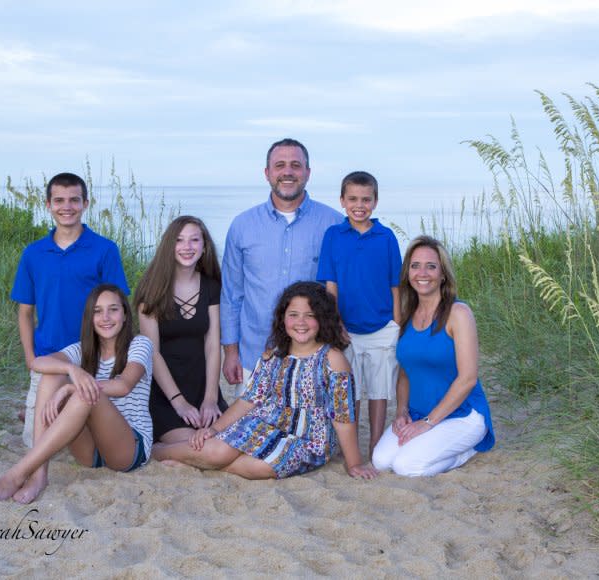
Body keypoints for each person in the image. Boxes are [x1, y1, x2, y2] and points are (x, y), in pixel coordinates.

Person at [153, 281, 378, 480]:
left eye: (310, 315)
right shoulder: (273, 355)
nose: (301, 322)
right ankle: (158, 451)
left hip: (308, 439)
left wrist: (354, 462)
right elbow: (248, 400)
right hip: (265, 423)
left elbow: (343, 417)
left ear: (323, 319)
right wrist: (214, 429)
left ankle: (195, 461)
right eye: (293, 314)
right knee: (218, 451)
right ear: (283, 318)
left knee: (262, 468)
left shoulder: (333, 359)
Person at [0, 285, 153, 503]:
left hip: (127, 448)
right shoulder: (84, 349)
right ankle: (39, 475)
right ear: (90, 317)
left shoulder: (140, 344)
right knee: (52, 375)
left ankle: (16, 474)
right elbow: (38, 363)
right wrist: (70, 370)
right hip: (90, 452)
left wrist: (71, 387)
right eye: (97, 311)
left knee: (84, 394)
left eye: (113, 309)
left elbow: (124, 385)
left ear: (125, 314)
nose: (105, 317)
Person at [11, 172, 130, 448]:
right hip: (49, 358)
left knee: (92, 440)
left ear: (86, 203)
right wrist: (31, 358)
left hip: (94, 356)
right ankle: (36, 413)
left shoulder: (105, 250)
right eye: (59, 200)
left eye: (74, 200)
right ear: (48, 204)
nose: (67, 207)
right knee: (35, 444)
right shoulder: (33, 254)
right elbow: (25, 312)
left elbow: (118, 309)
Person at [221, 138, 341, 392]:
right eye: (280, 165)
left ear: (308, 172)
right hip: (253, 354)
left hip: (313, 357)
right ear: (267, 173)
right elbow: (232, 294)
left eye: (296, 165)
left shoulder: (334, 224)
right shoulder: (242, 226)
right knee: (252, 430)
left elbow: (343, 290)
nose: (287, 172)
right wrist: (230, 351)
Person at [371, 236, 495, 476]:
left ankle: (466, 451)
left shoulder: (458, 313)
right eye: (415, 266)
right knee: (381, 460)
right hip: (418, 413)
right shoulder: (407, 315)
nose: (422, 273)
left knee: (407, 466)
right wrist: (402, 413)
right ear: (408, 272)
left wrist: (428, 423)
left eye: (431, 266)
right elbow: (405, 373)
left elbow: (468, 378)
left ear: (443, 274)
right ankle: (427, 437)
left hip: (462, 414)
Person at [317, 171, 402, 459]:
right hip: (346, 329)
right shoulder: (333, 236)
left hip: (382, 326)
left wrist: (397, 323)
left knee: (378, 390)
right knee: (348, 390)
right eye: (352, 198)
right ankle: (349, 444)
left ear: (375, 202)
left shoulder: (386, 237)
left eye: (366, 199)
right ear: (342, 200)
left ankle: (375, 444)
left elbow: (395, 286)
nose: (359, 205)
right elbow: (331, 286)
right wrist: (335, 324)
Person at [134, 216, 228, 443]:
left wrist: (211, 398)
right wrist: (179, 403)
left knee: (228, 441)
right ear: (170, 246)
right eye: (180, 240)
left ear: (204, 246)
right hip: (165, 394)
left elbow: (213, 345)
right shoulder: (152, 290)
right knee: (204, 445)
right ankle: (157, 451)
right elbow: (152, 352)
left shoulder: (211, 286)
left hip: (203, 388)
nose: (187, 247)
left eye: (194, 240)